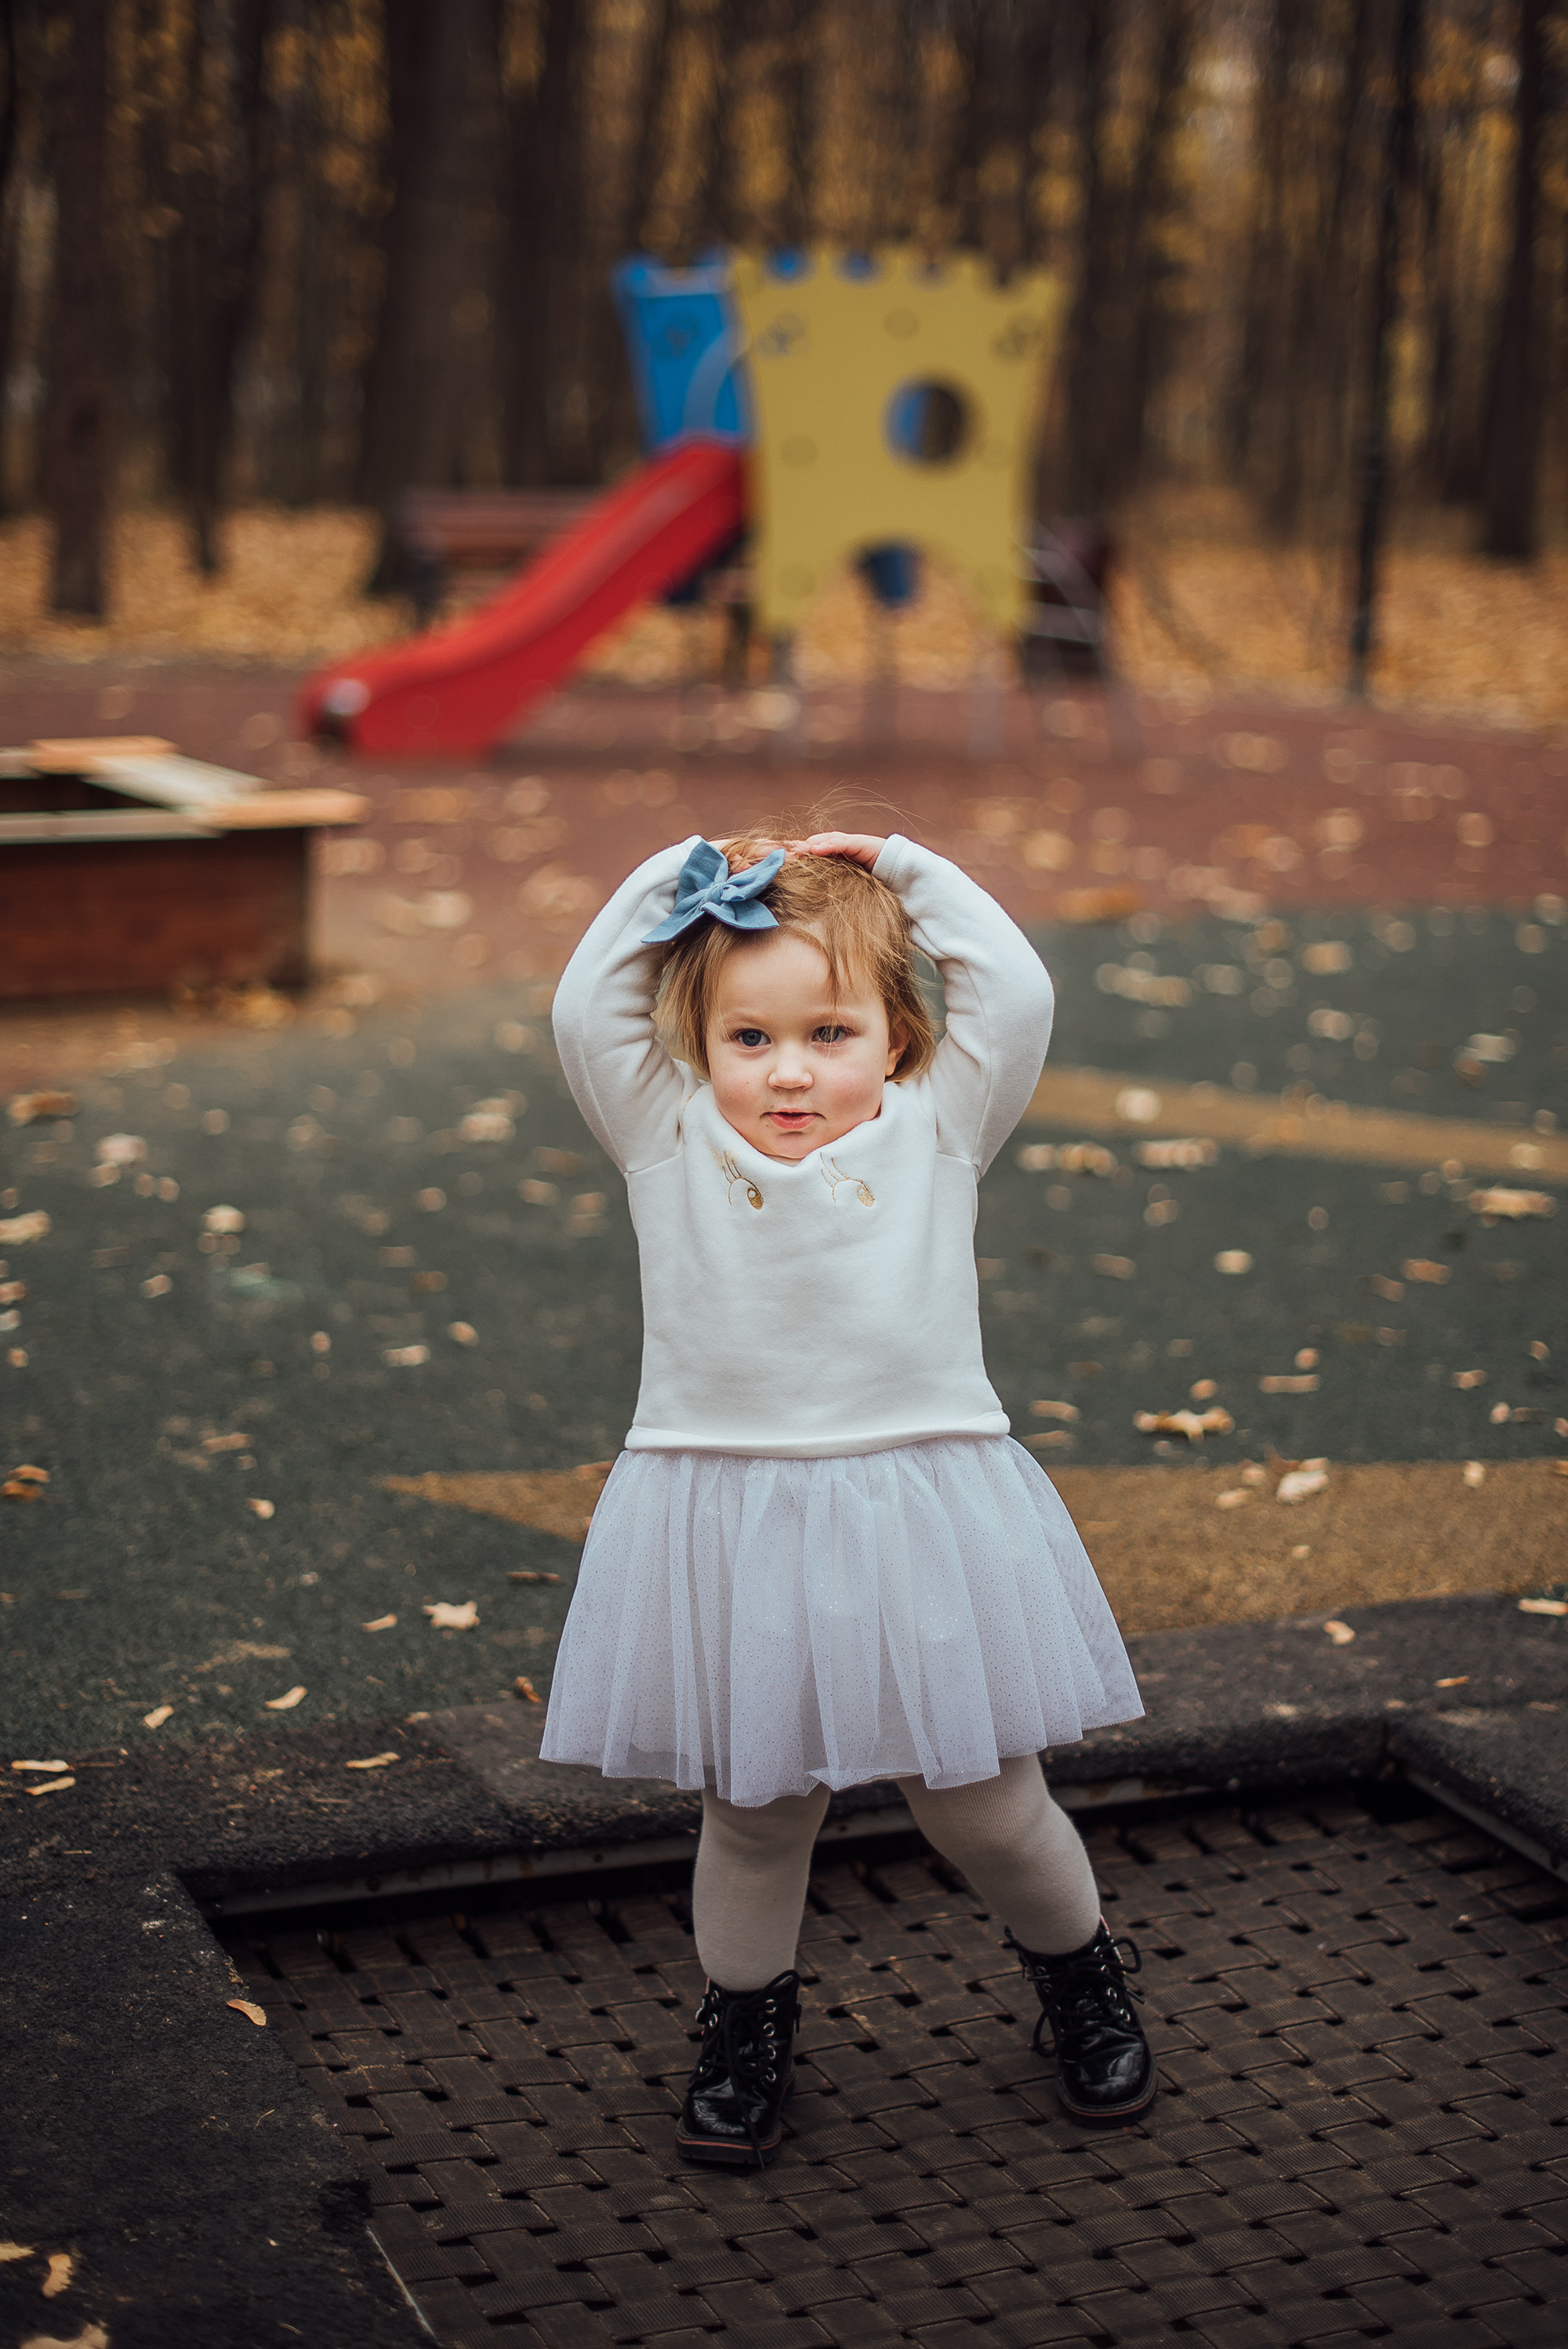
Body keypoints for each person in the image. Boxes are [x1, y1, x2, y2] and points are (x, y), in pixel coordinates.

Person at [541, 823, 1152, 2165]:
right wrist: (682, 870)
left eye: (829, 1031)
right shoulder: (669, 1141)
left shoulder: (942, 1129)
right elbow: (586, 1010)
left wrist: (897, 864)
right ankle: (745, 2024)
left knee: (986, 1800)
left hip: (919, 1509)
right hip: (733, 1516)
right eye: (748, 1040)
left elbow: (1019, 988)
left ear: (900, 1040)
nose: (790, 1071)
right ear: (699, 1050)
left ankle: (1081, 1974)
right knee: (757, 1813)